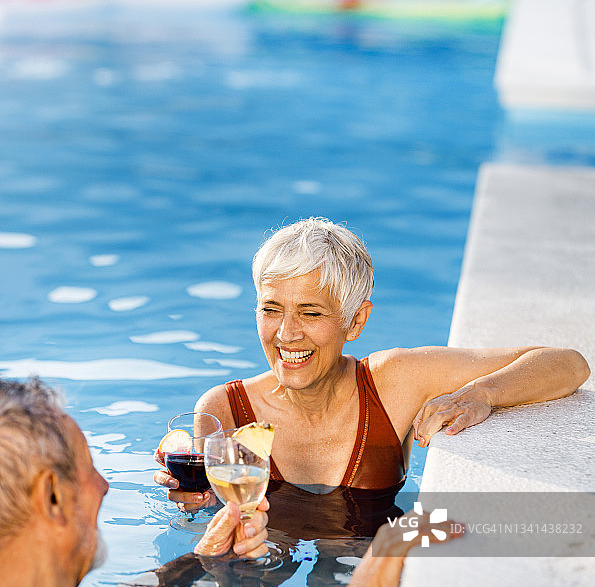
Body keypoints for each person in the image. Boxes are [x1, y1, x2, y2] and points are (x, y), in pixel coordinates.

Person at [0, 376, 461, 587]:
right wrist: (369, 586)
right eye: (88, 467)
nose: (103, 485)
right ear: (53, 498)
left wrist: (203, 561)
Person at [154, 217, 590, 512]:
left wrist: (481, 395)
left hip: (365, 567)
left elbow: (567, 364)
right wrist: (198, 503)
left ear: (355, 321)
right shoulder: (224, 408)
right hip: (265, 563)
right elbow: (211, 517)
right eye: (271, 309)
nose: (287, 334)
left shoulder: (393, 382)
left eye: (311, 312)